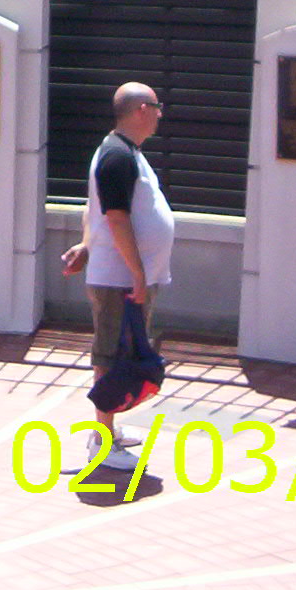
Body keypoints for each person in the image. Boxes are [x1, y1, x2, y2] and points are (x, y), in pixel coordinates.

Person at [59, 81, 175, 471]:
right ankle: (103, 442)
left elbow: (93, 211)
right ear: (141, 109)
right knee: (111, 354)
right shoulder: (116, 156)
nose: (161, 114)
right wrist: (137, 273)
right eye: (157, 106)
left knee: (124, 351)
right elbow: (115, 216)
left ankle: (106, 429)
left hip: (124, 276)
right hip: (119, 280)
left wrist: (87, 245)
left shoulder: (127, 153)